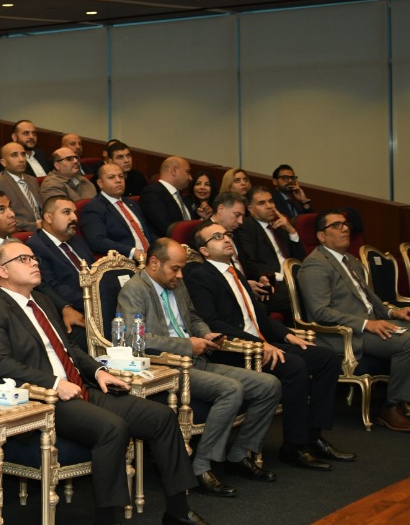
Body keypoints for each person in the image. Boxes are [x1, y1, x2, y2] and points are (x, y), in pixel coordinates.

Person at [0, 239, 225, 525]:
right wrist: (54, 384)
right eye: (24, 259)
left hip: (80, 387)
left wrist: (99, 372)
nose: (34, 262)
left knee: (161, 417)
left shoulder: (42, 302)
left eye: (34, 257)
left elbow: (70, 349)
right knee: (112, 427)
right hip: (43, 400)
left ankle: (179, 511)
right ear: (2, 270)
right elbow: (0, 362)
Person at [118, 239, 282, 496]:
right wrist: (187, 345)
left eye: (182, 269)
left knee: (268, 385)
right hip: (169, 368)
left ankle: (239, 455)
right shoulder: (135, 290)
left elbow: (193, 317)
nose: (180, 275)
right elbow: (134, 339)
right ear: (154, 263)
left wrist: (206, 333)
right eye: (175, 269)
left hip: (198, 360)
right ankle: (200, 467)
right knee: (231, 389)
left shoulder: (176, 284)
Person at [185, 220, 352, 471]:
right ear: (204, 250)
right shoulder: (199, 275)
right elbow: (213, 323)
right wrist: (258, 344)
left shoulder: (234, 271)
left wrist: (287, 335)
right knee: (294, 366)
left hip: (263, 342)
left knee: (327, 358)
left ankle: (313, 436)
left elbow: (260, 316)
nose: (227, 238)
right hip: (235, 349)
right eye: (217, 237)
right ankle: (294, 447)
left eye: (226, 234)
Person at [298, 208, 410, 431]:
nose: (344, 228)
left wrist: (394, 313)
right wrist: (367, 324)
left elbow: (370, 301)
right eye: (336, 225)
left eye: (345, 224)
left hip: (374, 323)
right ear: (321, 236)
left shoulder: (351, 261)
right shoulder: (315, 265)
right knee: (409, 341)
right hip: (348, 333)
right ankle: (392, 406)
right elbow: (320, 312)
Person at [27, 195, 93, 349]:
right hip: (76, 306)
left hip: (95, 301)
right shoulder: (36, 246)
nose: (74, 217)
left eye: (75, 213)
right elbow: (49, 287)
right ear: (48, 218)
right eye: (66, 212)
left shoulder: (76, 240)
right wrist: (91, 300)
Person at [233, 187, 306, 319]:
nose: (269, 206)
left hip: (292, 278)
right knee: (303, 294)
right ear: (250, 209)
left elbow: (300, 259)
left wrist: (291, 231)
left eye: (271, 201)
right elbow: (250, 262)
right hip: (270, 282)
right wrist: (280, 277)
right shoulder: (247, 226)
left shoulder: (280, 225)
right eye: (262, 203)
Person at [80, 162, 153, 263]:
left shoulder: (131, 203)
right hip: (125, 262)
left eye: (121, 176)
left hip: (151, 257)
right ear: (100, 183)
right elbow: (97, 241)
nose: (118, 180)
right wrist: (132, 252)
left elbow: (148, 231)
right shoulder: (93, 208)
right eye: (111, 177)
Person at [0, 142, 42, 231]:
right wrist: (35, 225)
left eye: (23, 155)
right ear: (3, 162)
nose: (21, 159)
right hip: (21, 232)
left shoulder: (32, 180)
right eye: (14, 155)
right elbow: (0, 219)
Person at [138, 156, 194, 237]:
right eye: (187, 172)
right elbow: (166, 228)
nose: (190, 178)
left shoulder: (184, 198)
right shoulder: (152, 193)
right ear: (174, 170)